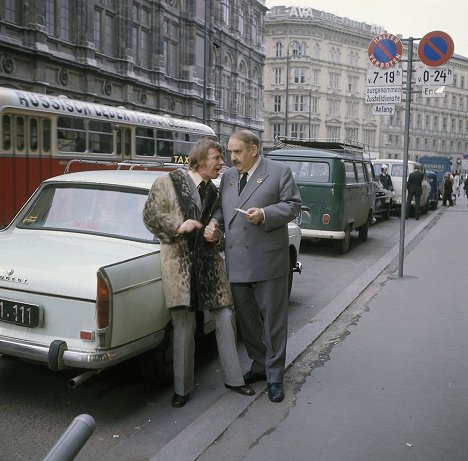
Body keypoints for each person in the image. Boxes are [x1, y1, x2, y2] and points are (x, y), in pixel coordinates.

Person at [143, 139, 255, 408]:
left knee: (226, 315)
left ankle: (234, 379)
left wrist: (216, 234)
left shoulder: (214, 193)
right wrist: (179, 225)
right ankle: (182, 389)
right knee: (184, 325)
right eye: (217, 158)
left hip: (208, 264)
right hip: (179, 266)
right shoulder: (167, 183)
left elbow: (219, 230)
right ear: (201, 160)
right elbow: (149, 215)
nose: (222, 163)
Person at [211, 130, 302, 403]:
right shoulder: (227, 177)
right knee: (248, 322)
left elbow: (293, 206)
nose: (232, 157)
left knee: (273, 323)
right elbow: (221, 209)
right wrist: (215, 223)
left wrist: (264, 214)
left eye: (237, 151)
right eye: (230, 151)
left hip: (268, 261)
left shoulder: (278, 171)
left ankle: (275, 377)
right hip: (237, 261)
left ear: (253, 149)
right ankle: (260, 365)